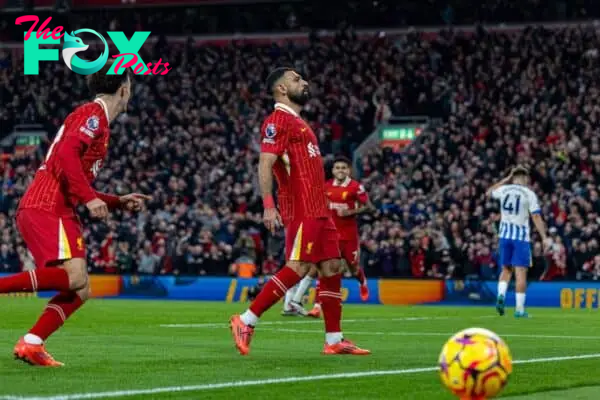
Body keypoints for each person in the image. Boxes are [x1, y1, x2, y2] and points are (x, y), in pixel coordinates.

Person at [0, 60, 151, 366]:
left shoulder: (97, 121)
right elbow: (68, 155)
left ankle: (32, 342)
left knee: (81, 288)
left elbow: (75, 178)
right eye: (130, 87)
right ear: (124, 89)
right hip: (48, 205)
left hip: (55, 206)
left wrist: (117, 201)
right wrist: (90, 200)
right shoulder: (92, 114)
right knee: (77, 276)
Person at [229, 67, 370, 356]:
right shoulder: (277, 121)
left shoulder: (298, 122)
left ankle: (334, 340)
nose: (304, 82)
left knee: (331, 268)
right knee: (300, 267)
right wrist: (269, 206)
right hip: (302, 208)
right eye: (296, 79)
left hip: (321, 209)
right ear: (281, 89)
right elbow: (265, 163)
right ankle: (246, 320)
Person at [290, 156, 373, 318]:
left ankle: (362, 282)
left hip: (348, 237)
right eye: (337, 168)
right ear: (333, 170)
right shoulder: (326, 187)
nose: (340, 170)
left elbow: (369, 207)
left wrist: (350, 212)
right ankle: (317, 306)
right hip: (329, 236)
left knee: (353, 267)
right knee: (324, 270)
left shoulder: (356, 187)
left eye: (343, 167)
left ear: (348, 170)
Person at [487, 166, 549, 318]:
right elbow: (535, 217)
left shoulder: (504, 190)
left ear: (513, 177)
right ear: (525, 178)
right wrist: (544, 236)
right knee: (521, 273)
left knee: (506, 270)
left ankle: (500, 296)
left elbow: (488, 193)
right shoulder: (529, 193)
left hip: (504, 236)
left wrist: (504, 180)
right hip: (520, 238)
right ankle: (519, 310)